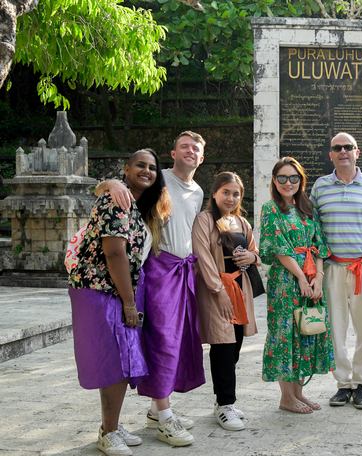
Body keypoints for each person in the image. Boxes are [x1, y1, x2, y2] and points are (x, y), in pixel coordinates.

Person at [98, 131, 207, 446]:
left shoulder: (198, 191)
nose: (189, 151)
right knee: (163, 341)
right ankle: (165, 417)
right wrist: (110, 184)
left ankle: (154, 411)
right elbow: (113, 189)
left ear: (202, 157)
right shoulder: (158, 179)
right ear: (172, 153)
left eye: (195, 148)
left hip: (184, 270)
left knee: (180, 341)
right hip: (159, 269)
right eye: (183, 146)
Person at [69, 149, 167, 455]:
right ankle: (108, 431)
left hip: (115, 290)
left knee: (121, 359)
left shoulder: (134, 205)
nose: (147, 171)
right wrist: (128, 303)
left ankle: (111, 424)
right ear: (126, 169)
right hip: (101, 289)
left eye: (152, 167)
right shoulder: (117, 199)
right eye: (141, 165)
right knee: (115, 360)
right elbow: (114, 253)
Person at [311, 132, 362, 409]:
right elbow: (313, 229)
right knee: (335, 329)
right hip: (333, 269)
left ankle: (360, 385)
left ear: (357, 152)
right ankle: (342, 384)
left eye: (348, 147)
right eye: (338, 148)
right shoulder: (320, 187)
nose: (343, 151)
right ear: (331, 154)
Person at [260, 158, 335, 413]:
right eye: (282, 177)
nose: (288, 182)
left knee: (306, 332)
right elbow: (278, 247)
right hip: (285, 281)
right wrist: (302, 277)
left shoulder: (308, 208)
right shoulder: (270, 209)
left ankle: (299, 393)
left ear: (301, 180)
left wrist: (318, 277)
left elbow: (320, 245)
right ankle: (286, 397)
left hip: (312, 278)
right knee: (284, 336)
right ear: (274, 180)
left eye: (293, 178)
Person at [192, 172, 260, 430]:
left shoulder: (241, 222)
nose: (231, 198)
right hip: (217, 291)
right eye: (226, 192)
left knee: (235, 345)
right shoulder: (205, 220)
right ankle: (225, 404)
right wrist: (218, 290)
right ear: (214, 193)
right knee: (222, 345)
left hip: (239, 290)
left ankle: (224, 400)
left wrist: (252, 258)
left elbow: (255, 250)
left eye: (236, 194)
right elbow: (202, 256)